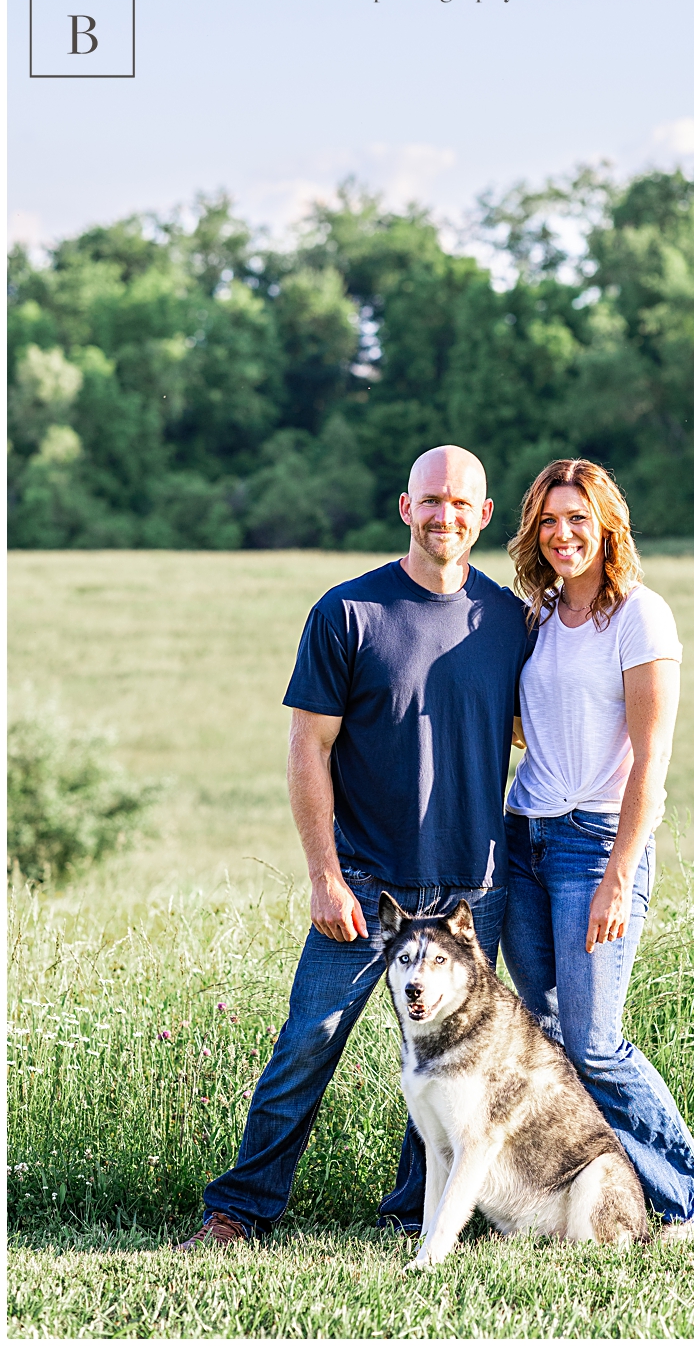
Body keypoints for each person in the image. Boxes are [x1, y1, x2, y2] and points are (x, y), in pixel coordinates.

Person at [177, 445, 530, 1249]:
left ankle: (419, 1209)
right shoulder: (348, 612)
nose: (446, 515)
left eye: (462, 503)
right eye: (431, 500)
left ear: (482, 515)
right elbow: (309, 747)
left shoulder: (508, 620)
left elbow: (529, 726)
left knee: (453, 1053)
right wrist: (324, 875)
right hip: (366, 882)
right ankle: (241, 1209)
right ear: (406, 507)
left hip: (473, 889)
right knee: (308, 1041)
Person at [500, 459, 694, 1242]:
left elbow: (651, 764)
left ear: (607, 528)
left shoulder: (640, 616)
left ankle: (690, 1198)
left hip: (596, 846)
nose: (563, 535)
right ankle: (569, 1197)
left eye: (578, 520)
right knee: (552, 1037)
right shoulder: (537, 615)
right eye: (549, 522)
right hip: (524, 836)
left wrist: (619, 877)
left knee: (595, 1042)